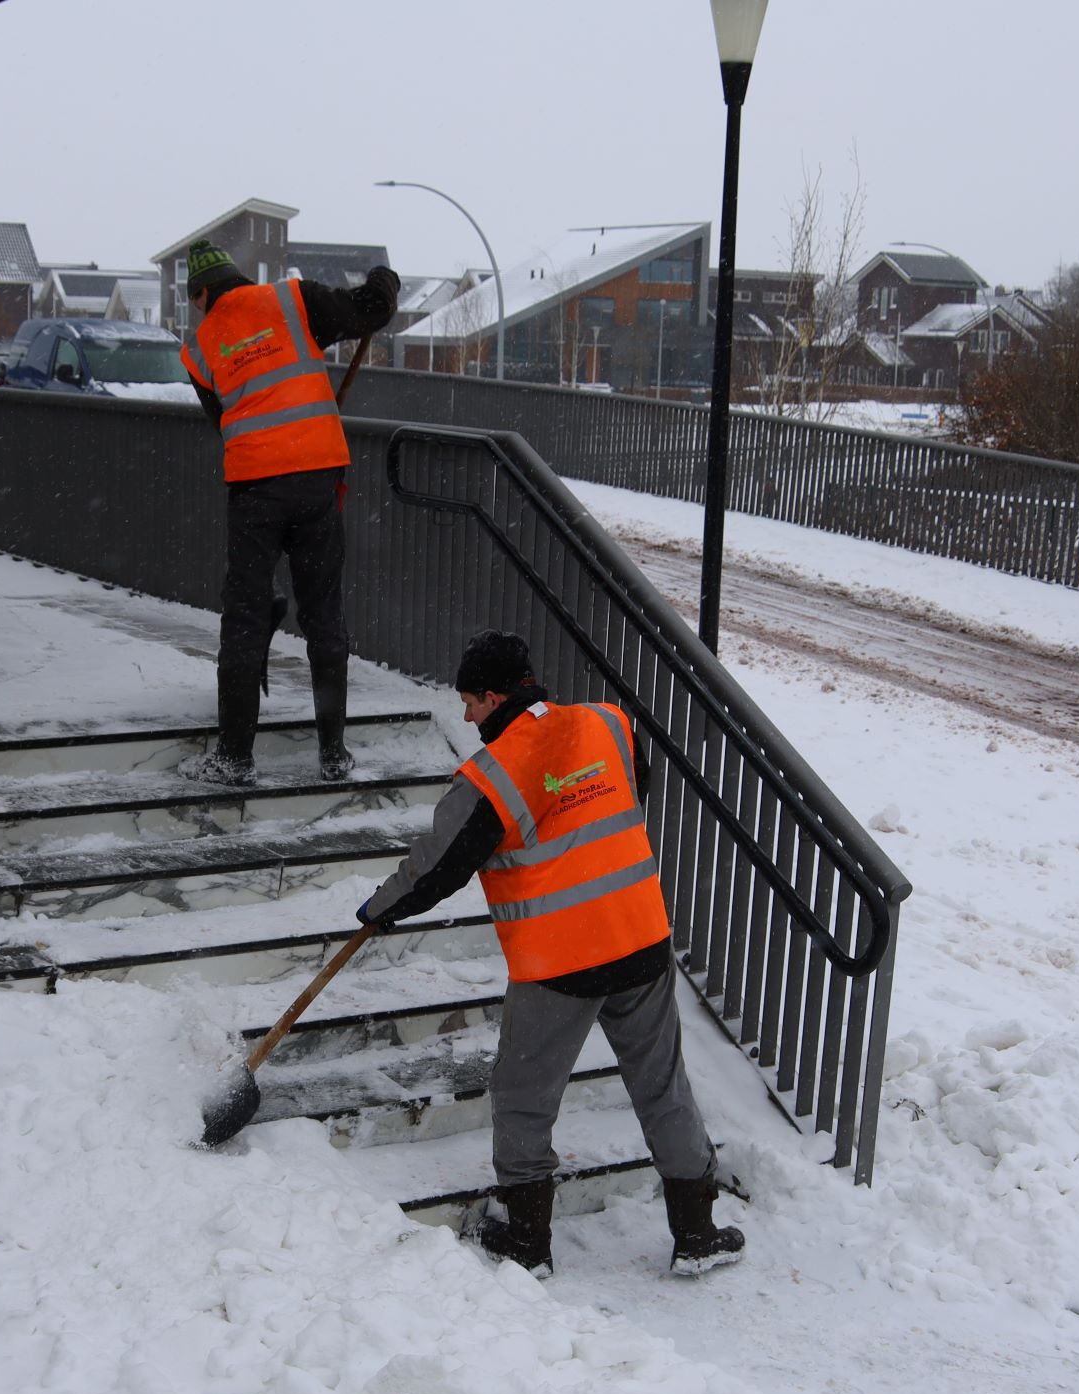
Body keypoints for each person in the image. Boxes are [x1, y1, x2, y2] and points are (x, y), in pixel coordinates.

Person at [357, 631, 746, 1279]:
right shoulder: (608, 724)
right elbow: (628, 794)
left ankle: (526, 1242)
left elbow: (436, 870)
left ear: (493, 696)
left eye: (469, 704)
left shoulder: (490, 777)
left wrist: (380, 908)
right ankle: (697, 1232)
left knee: (523, 1099)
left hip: (559, 962)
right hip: (639, 939)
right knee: (662, 1087)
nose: (465, 718)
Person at [175, 239, 400, 785]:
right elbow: (371, 312)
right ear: (239, 277)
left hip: (254, 487)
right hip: (318, 475)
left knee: (244, 617)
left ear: (202, 294)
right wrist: (383, 281)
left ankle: (233, 758)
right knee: (323, 611)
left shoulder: (200, 347)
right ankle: (332, 754)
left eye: (197, 300)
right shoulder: (291, 300)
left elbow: (224, 419)